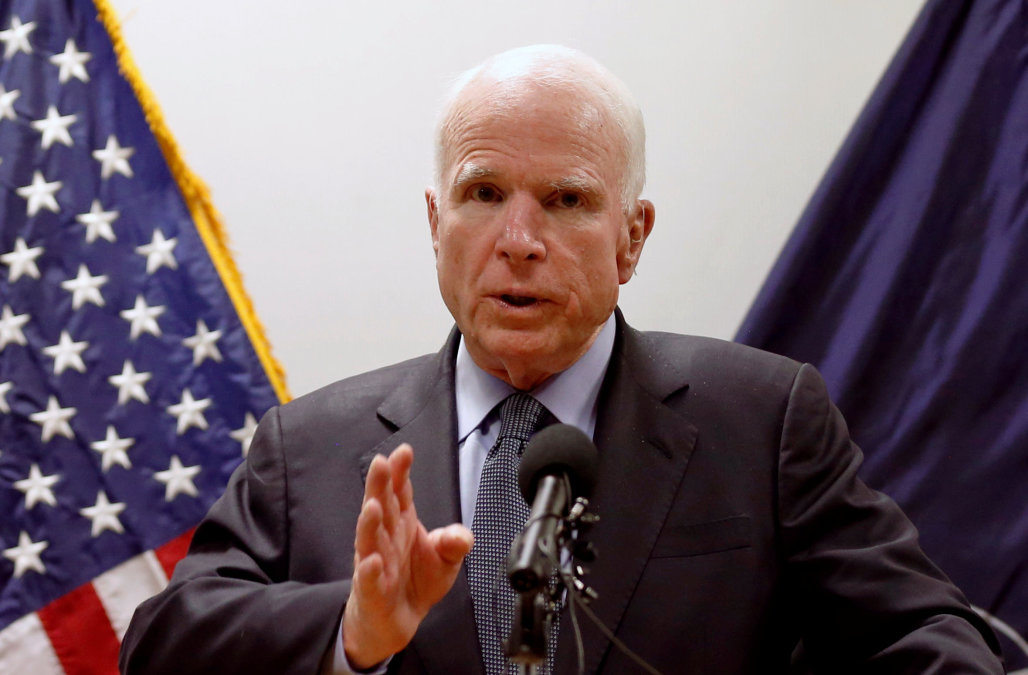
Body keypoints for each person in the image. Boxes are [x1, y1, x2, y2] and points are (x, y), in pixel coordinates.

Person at [120, 45, 1004, 674]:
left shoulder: (763, 420)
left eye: (567, 200)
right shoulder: (309, 445)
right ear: (436, 226)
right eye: (484, 193)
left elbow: (927, 636)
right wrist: (351, 630)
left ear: (632, 236)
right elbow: (161, 643)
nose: (518, 241)